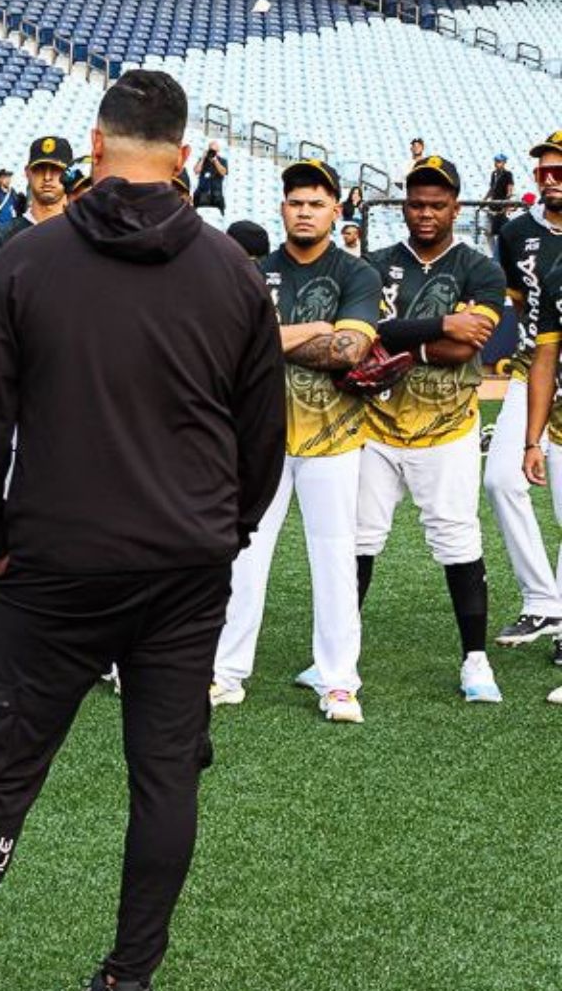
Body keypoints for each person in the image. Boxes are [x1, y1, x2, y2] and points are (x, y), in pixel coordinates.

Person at [0, 69, 284, 991]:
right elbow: (265, 439)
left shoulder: (27, 259)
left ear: (93, 150)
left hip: (52, 566)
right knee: (165, 780)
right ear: (183, 155)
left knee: (4, 774)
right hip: (183, 569)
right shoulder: (228, 273)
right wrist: (223, 532)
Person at [211, 160, 381, 723]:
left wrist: (271, 337)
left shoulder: (356, 274)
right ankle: (227, 672)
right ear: (281, 208)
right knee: (243, 557)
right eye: (295, 202)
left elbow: (351, 352)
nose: (304, 211)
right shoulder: (252, 270)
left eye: (315, 202)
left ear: (337, 210)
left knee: (334, 561)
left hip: (332, 438)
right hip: (260, 440)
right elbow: (234, 346)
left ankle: (337, 682)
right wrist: (313, 329)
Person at [357, 156, 507, 704]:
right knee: (360, 536)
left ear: (456, 208)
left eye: (437, 205)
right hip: (376, 422)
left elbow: (469, 348)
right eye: (417, 204)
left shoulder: (479, 269)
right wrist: (438, 327)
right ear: (403, 206)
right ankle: (339, 654)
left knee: (457, 536)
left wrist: (402, 339)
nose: (426, 213)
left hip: (448, 424)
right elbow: (366, 334)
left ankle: (475, 659)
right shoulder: (374, 264)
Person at [486, 130, 562, 647]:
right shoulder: (514, 234)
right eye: (543, 172)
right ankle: (542, 601)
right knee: (499, 480)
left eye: (560, 170)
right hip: (532, 363)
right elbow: (520, 308)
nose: (551, 179)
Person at [0, 136, 72, 246]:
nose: (47, 177)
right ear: (28, 172)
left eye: (56, 169)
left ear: (71, 173)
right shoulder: (0, 237)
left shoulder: (85, 235)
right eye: (40, 168)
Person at [193, 140, 227, 213]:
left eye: (215, 151)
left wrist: (215, 160)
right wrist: (202, 158)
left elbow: (223, 172)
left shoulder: (223, 161)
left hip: (216, 194)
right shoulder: (203, 160)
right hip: (202, 193)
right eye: (211, 150)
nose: (212, 153)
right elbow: (196, 171)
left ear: (218, 151)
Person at [487, 153, 515, 239]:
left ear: (504, 163)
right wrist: (484, 200)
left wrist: (506, 204)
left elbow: (510, 190)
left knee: (502, 229)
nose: (496, 163)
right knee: (492, 231)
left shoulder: (508, 174)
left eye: (499, 161)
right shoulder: (493, 174)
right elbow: (491, 189)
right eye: (495, 161)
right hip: (493, 204)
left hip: (502, 205)